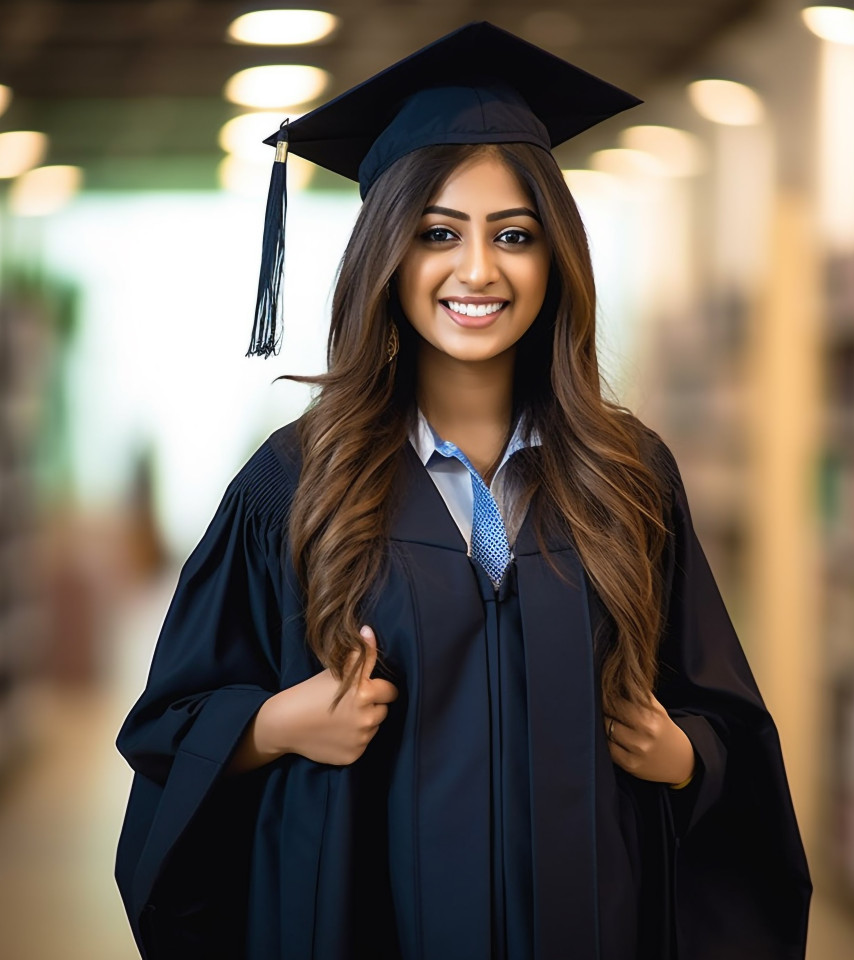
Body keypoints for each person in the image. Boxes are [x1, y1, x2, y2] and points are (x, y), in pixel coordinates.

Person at [114, 21, 812, 960]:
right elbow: (170, 725)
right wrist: (279, 723)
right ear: (387, 257)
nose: (477, 270)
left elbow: (723, 713)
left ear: (555, 256)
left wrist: (685, 753)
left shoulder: (629, 474)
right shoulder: (294, 481)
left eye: (513, 235)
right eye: (438, 232)